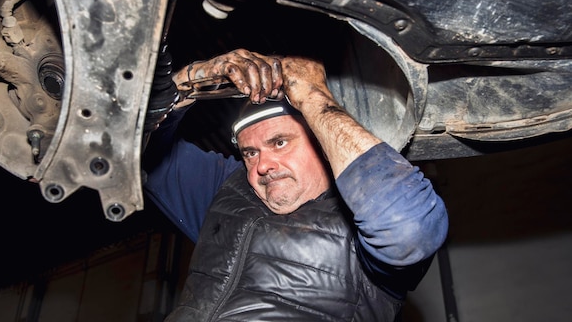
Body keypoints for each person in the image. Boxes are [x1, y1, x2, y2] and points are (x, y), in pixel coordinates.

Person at [144, 49, 448, 321]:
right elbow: (141, 158)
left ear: (322, 142)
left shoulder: (365, 225)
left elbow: (409, 230)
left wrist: (313, 96)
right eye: (250, 152)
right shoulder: (228, 189)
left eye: (280, 142)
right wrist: (190, 81)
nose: (262, 165)